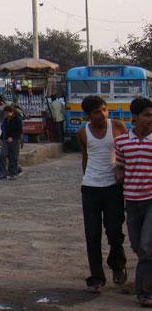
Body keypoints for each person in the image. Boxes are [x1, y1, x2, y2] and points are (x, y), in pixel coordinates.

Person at [76, 95, 128, 293]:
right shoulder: (82, 133)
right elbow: (85, 158)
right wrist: (86, 179)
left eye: (104, 110)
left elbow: (126, 152)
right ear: (88, 115)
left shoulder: (117, 126)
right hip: (90, 187)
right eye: (97, 111)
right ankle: (97, 276)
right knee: (92, 233)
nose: (102, 114)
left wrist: (123, 173)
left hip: (113, 186)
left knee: (114, 230)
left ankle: (117, 263)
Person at [115, 97, 152, 306]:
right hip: (132, 201)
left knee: (147, 246)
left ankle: (144, 292)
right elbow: (120, 166)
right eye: (147, 115)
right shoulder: (122, 142)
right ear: (135, 117)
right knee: (138, 246)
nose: (151, 119)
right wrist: (118, 174)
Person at [0, 106, 22, 180]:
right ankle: (1, 173)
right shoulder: (5, 120)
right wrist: (0, 139)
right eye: (5, 113)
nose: (6, 114)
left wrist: (13, 137)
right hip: (5, 140)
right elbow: (4, 131)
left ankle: (13, 173)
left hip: (14, 141)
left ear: (11, 112)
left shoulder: (17, 120)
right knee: (2, 155)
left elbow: (19, 131)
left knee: (13, 157)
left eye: (7, 112)